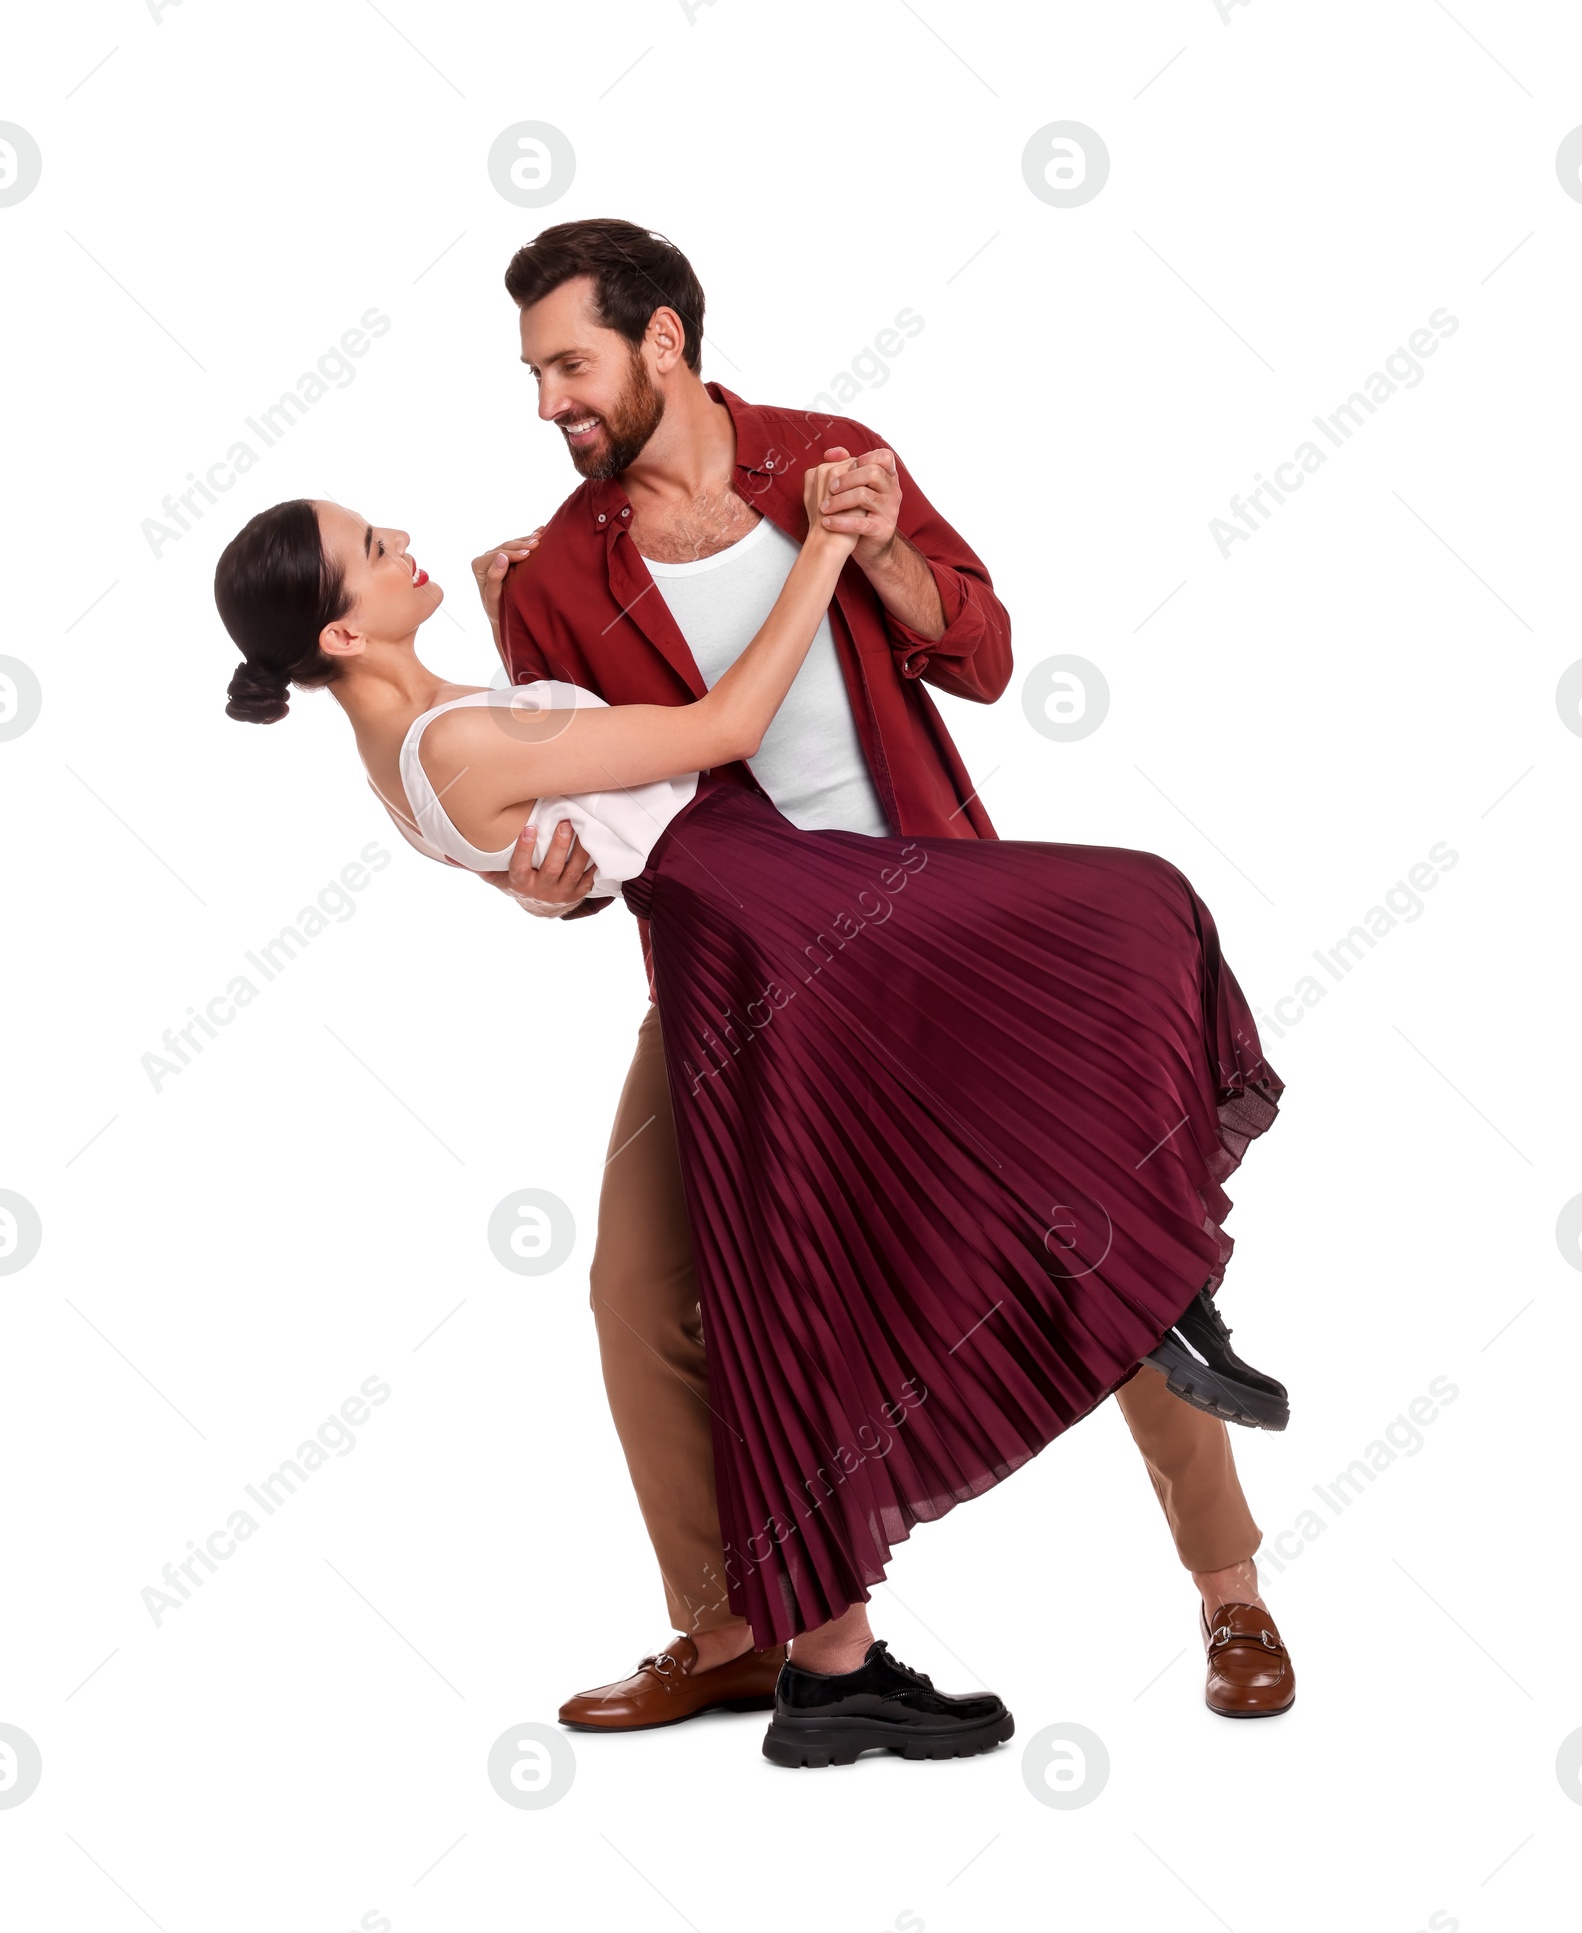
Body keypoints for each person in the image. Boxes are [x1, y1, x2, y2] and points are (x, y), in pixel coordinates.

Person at [213, 468, 1292, 1765]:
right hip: (773, 928)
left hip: (815, 885)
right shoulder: (499, 659)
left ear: (660, 344)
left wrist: (531, 851)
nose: (408, 541)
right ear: (340, 634)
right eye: (375, 547)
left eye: (568, 365)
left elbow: (548, 798)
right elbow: (701, 732)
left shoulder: (477, 677)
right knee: (733, 1270)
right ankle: (777, 1641)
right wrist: (822, 557)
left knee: (1030, 1135)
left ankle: (1208, 1567)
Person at [468, 219, 1298, 1728]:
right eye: (533, 376)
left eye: (570, 366)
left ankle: (1232, 1594)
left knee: (1097, 1236)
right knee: (638, 1287)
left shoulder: (831, 462)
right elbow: (591, 826)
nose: (548, 408)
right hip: (732, 980)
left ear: (663, 342)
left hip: (936, 936)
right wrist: (549, 893)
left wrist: (894, 541)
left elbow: (980, 656)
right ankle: (730, 1633)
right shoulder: (554, 576)